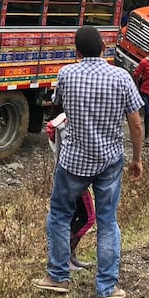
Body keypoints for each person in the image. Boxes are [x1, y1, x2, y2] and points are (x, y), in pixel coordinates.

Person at [34, 26, 144, 298]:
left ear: (77, 51)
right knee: (108, 221)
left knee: (60, 214)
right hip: (109, 160)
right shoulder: (121, 77)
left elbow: (57, 110)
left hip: (73, 160)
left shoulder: (66, 74)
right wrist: (137, 158)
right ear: (104, 49)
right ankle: (107, 287)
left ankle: (58, 276)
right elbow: (135, 123)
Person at [46, 113, 96, 270]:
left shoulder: (61, 121)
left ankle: (69, 257)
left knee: (68, 217)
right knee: (88, 217)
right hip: (75, 176)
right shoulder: (73, 124)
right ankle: (66, 257)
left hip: (65, 175)